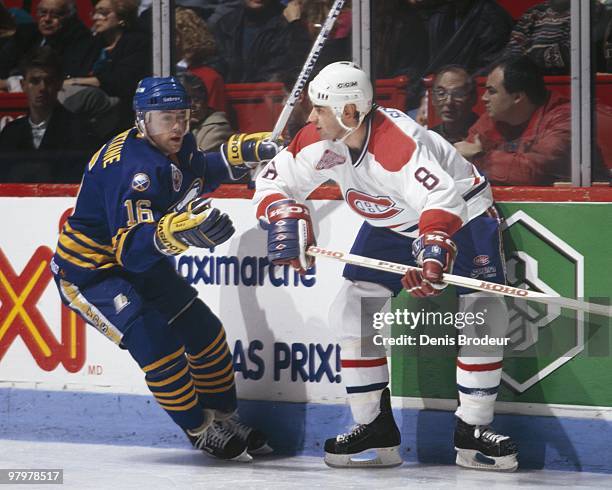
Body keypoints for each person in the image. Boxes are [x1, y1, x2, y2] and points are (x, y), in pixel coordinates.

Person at [254, 62, 518, 471]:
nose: (310, 117)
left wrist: (432, 249)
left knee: (483, 313)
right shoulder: (317, 139)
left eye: (318, 109)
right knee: (354, 307)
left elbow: (443, 200)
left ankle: (473, 429)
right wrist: (284, 212)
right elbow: (272, 182)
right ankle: (374, 426)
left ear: (349, 112)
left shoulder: (398, 145)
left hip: (460, 215)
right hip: (392, 220)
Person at [51, 76, 278, 460]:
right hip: (91, 273)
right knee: (159, 347)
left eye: (182, 116)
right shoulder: (131, 170)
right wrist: (176, 232)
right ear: (142, 120)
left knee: (205, 333)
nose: (177, 126)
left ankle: (224, 417)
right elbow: (131, 252)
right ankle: (201, 428)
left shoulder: (174, 144)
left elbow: (197, 173)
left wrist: (236, 156)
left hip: (138, 260)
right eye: (166, 118)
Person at [455, 56, 571, 186]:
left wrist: (479, 158)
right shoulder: (494, 117)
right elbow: (462, 161)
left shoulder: (564, 119)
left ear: (517, 97)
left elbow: (532, 173)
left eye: (491, 91)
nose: (484, 97)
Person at [0, 46, 97, 182]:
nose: (42, 88)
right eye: (35, 81)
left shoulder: (79, 129)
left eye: (49, 81)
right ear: (23, 85)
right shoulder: (10, 133)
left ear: (59, 84)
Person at [60, 0, 151, 139]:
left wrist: (76, 81)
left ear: (122, 17)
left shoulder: (136, 42)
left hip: (120, 110)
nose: (96, 17)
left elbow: (122, 81)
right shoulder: (93, 44)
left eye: (103, 13)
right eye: (95, 13)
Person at [0, 0, 95, 89]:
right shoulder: (26, 34)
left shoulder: (81, 39)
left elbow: (66, 78)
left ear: (71, 17)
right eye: (43, 12)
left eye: (56, 14)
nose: (47, 19)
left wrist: (9, 83)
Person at [213, 0, 310, 83]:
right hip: (227, 96)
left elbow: (280, 69)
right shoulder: (226, 24)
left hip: (266, 97)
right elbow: (217, 64)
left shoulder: (286, 24)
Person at [502, 0, 571, 75]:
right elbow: (513, 49)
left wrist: (530, 58)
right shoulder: (535, 11)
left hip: (565, 78)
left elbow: (570, 54)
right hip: (527, 75)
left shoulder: (581, 12)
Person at [176, 71, 234, 151]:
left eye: (197, 99)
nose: (193, 105)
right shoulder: (173, 125)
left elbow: (195, 160)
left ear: (206, 100)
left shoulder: (217, 128)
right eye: (187, 100)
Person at [430, 65, 478, 144]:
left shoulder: (485, 134)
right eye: (441, 93)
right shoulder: (431, 137)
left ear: (473, 98)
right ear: (433, 98)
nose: (448, 102)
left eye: (458, 94)